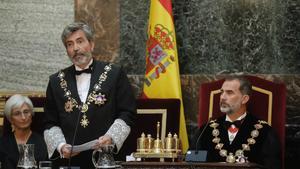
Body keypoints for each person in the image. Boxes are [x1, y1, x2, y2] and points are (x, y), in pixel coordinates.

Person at [43, 21, 136, 169]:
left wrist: (111, 138)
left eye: (80, 41)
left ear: (91, 44)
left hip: (107, 159)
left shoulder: (114, 73)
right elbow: (49, 122)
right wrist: (61, 146)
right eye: (69, 44)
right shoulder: (55, 81)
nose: (75, 48)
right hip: (70, 163)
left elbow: (127, 112)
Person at [190, 75, 282, 169]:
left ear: (244, 99)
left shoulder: (265, 132)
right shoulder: (205, 131)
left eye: (229, 93)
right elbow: (192, 163)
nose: (223, 97)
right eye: (222, 92)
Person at [0, 94, 48, 169]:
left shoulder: (42, 142)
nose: (23, 117)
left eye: (26, 112)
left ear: (31, 114)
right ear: (10, 119)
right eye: (17, 113)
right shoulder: (3, 143)